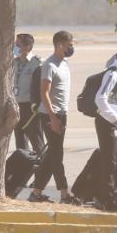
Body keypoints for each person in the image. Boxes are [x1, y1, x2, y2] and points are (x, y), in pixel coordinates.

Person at [29, 30, 80, 204]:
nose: (71, 48)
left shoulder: (63, 63)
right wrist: (53, 117)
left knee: (53, 154)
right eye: (69, 45)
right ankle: (65, 193)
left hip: (61, 114)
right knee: (57, 155)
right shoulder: (49, 65)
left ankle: (36, 192)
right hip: (51, 115)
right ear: (59, 45)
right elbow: (44, 93)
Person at [93, 45, 117, 208]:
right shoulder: (112, 74)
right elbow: (100, 99)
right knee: (110, 161)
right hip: (108, 122)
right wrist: (115, 119)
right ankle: (105, 198)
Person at [11, 33, 45, 155]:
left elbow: (43, 87)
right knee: (20, 142)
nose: (15, 47)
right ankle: (23, 169)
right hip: (16, 106)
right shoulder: (14, 62)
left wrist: (38, 106)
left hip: (31, 108)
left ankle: (42, 170)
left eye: (18, 44)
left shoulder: (37, 63)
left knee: (37, 141)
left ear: (28, 47)